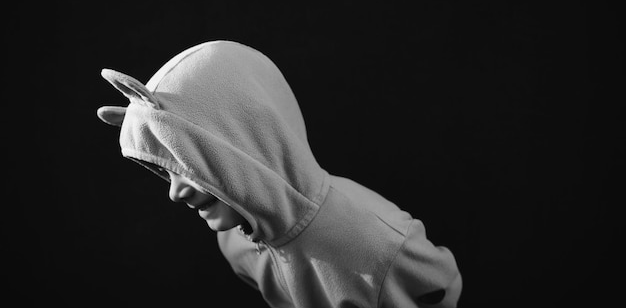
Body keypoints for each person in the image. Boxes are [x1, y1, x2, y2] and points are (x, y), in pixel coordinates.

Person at [97, 40, 462, 308]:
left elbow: (439, 288)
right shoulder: (237, 239)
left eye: (190, 166)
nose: (175, 193)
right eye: (167, 171)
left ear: (251, 144)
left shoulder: (378, 247)